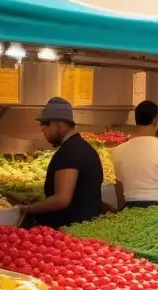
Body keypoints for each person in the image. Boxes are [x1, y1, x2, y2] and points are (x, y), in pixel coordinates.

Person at [21, 97, 105, 229]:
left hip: (70, 231)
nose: (42, 129)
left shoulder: (69, 152)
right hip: (85, 228)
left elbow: (62, 199)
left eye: (45, 124)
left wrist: (28, 209)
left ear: (58, 124)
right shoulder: (84, 148)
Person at [112, 100, 158, 209]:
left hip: (130, 209)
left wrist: (123, 214)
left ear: (136, 120)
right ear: (156, 120)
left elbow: (119, 190)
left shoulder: (118, 150)